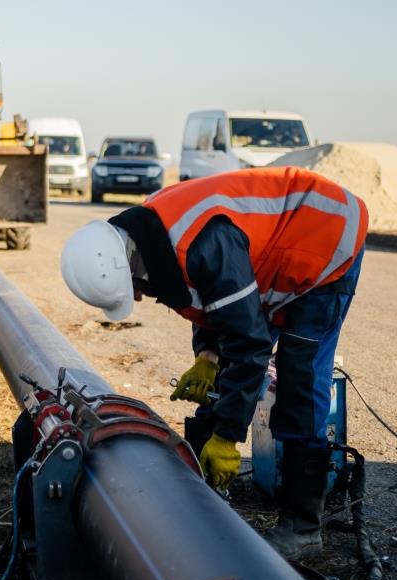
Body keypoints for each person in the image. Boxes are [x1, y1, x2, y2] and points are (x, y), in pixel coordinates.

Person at [60, 167, 367, 560]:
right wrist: (207, 355)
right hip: (276, 248)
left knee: (299, 379)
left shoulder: (203, 244)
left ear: (127, 263)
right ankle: (219, 492)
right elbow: (213, 304)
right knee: (233, 367)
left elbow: (250, 342)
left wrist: (227, 437)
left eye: (133, 288)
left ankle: (304, 527)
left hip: (326, 240)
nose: (137, 298)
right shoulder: (149, 236)